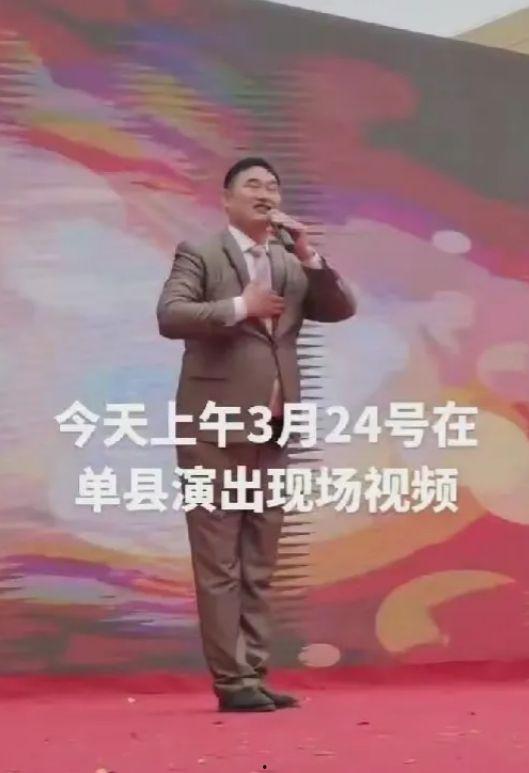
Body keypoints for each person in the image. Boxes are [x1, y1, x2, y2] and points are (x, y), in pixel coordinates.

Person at [157, 157, 356, 712]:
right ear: (227, 199)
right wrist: (240, 307)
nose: (265, 194)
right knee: (219, 560)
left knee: (260, 557)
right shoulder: (201, 252)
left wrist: (309, 255)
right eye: (252, 185)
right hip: (213, 429)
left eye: (272, 186)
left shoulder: (289, 263)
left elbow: (340, 308)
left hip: (272, 429)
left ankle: (255, 672)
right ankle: (231, 681)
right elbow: (171, 315)